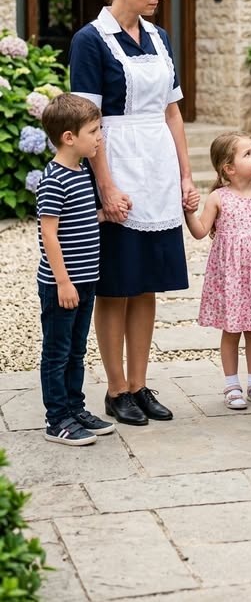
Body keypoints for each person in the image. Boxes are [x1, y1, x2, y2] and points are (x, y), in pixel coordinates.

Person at [69, 0, 197, 426]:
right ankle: (116, 388)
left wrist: (185, 175)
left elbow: (173, 111)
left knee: (147, 285)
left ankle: (140, 385)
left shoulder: (160, 39)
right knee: (116, 286)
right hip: (117, 164)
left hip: (158, 168)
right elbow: (88, 118)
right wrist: (105, 186)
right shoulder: (90, 40)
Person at [185, 131, 251, 408]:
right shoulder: (218, 198)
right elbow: (200, 231)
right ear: (228, 168)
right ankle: (231, 386)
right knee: (231, 330)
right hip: (230, 278)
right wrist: (188, 213)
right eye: (248, 153)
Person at [37, 93, 115, 445]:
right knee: (57, 352)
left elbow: (79, 220)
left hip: (86, 281)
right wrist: (63, 282)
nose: (100, 137)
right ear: (69, 137)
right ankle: (57, 420)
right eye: (94, 131)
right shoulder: (54, 179)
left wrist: (105, 214)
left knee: (77, 349)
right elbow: (49, 235)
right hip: (63, 285)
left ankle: (74, 407)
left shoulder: (80, 171)